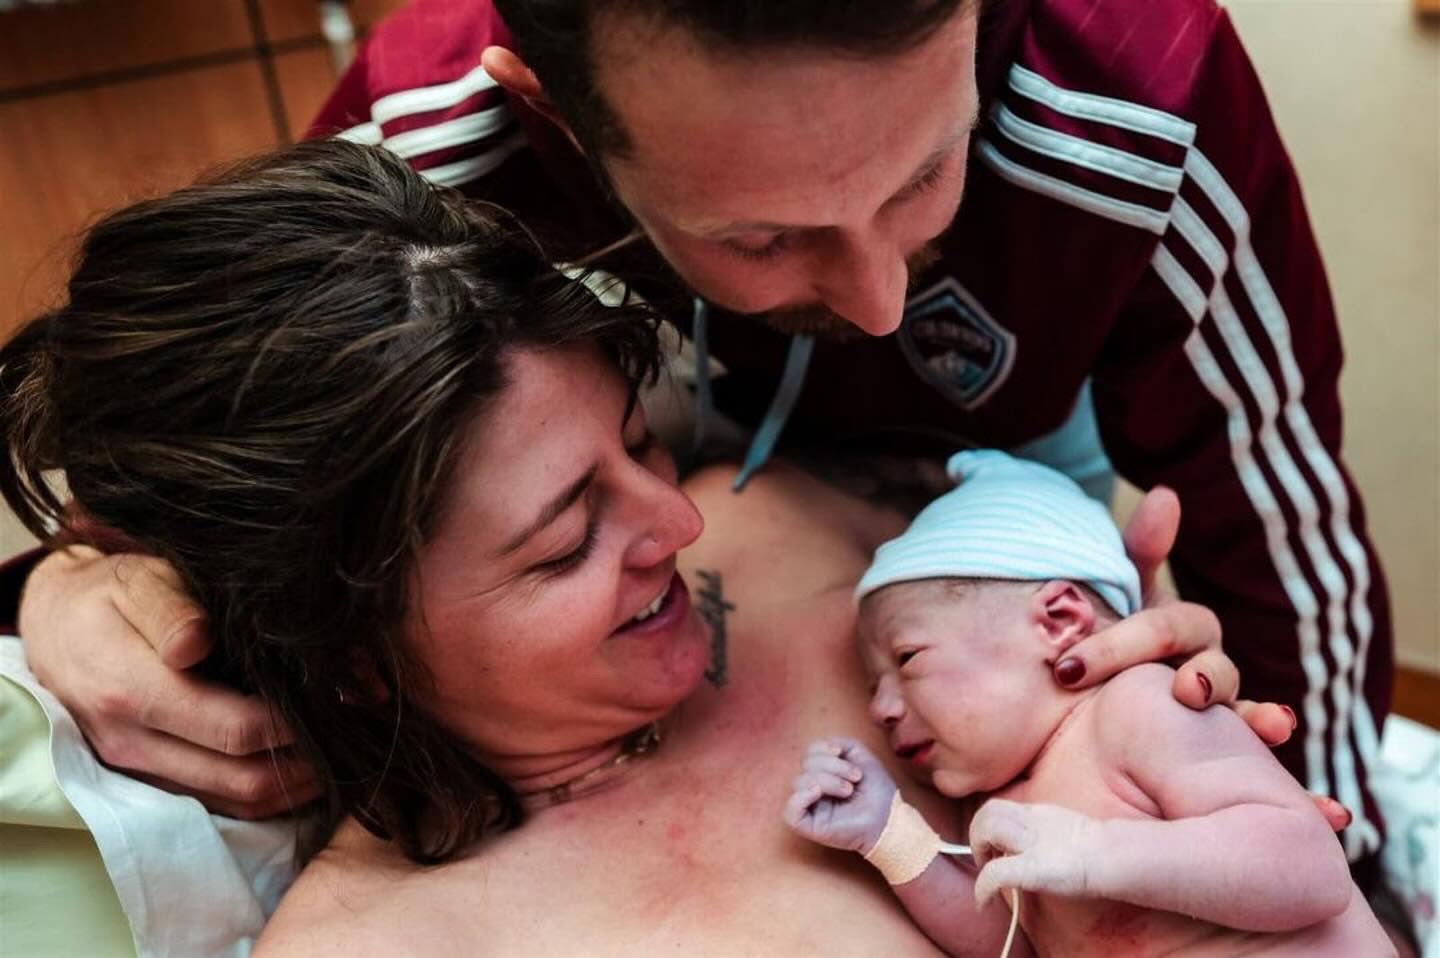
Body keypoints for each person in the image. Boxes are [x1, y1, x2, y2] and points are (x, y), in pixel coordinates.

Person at [5, 0, 1396, 896]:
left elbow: (1283, 526)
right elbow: (230, 437)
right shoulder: (426, 139)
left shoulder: (1138, 102)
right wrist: (76, 581)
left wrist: (1331, 855)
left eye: (926, 175)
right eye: (762, 234)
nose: (878, 301)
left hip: (1007, 474)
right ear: (552, 123)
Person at [785, 450, 1392, 956]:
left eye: (907, 658)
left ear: (1058, 620)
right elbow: (1012, 945)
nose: (882, 709)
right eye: (871, 688)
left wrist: (1095, 852)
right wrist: (892, 838)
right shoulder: (996, 809)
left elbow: (1311, 869)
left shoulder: (1140, 706)